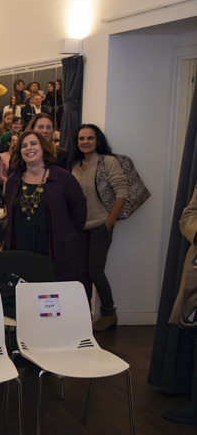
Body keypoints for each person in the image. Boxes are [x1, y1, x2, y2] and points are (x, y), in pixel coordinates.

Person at [3, 131, 87, 281]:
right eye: (24, 146)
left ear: (44, 147)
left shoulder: (64, 178)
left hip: (55, 250)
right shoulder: (13, 181)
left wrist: (66, 236)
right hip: (21, 249)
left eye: (33, 143)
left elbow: (79, 213)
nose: (29, 148)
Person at [69, 124, 129, 331]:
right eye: (81, 138)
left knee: (95, 272)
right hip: (80, 228)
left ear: (98, 141)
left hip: (100, 226)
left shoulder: (107, 162)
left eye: (90, 138)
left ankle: (108, 314)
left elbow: (122, 192)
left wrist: (109, 222)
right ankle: (83, 315)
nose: (85, 142)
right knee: (82, 273)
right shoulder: (75, 165)